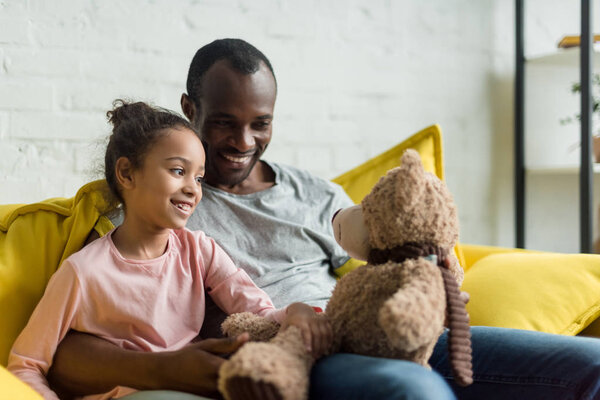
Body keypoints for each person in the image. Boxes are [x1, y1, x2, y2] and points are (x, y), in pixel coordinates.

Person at [47, 39, 600, 400]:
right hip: (300, 358)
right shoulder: (160, 202)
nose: (244, 143)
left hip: (402, 331)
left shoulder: (314, 191)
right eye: (223, 123)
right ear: (189, 110)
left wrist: (429, 267)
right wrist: (165, 369)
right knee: (414, 392)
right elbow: (66, 349)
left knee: (591, 364)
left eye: (260, 123)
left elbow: (380, 241)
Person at [8, 100, 331, 400]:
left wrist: (297, 311)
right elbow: (26, 365)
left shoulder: (199, 250)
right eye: (178, 171)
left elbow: (259, 315)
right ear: (126, 173)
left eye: (200, 178)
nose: (192, 188)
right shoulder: (83, 272)